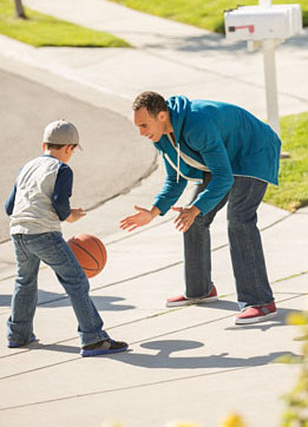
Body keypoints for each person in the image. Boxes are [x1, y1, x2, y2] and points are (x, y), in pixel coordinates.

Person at [120, 92, 281, 325]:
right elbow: (176, 179)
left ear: (162, 115)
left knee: (239, 219)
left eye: (144, 125)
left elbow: (224, 177)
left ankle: (261, 302)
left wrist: (196, 208)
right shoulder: (162, 136)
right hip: (223, 158)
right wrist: (154, 211)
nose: (141, 132)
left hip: (252, 151)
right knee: (192, 218)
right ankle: (200, 290)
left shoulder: (197, 124)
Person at [5, 119, 128, 357]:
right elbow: (60, 202)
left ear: (44, 144)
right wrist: (68, 216)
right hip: (44, 233)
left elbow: (10, 207)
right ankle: (93, 339)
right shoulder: (61, 169)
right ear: (70, 148)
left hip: (19, 232)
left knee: (25, 281)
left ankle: (17, 335)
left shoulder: (27, 167)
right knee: (76, 281)